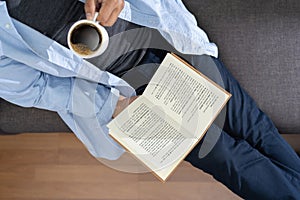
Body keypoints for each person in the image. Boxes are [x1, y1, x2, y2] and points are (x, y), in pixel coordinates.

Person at [0, 0, 299, 199]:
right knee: (230, 160)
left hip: (168, 41)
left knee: (254, 127)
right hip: (127, 93)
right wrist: (112, 106)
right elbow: (31, 86)